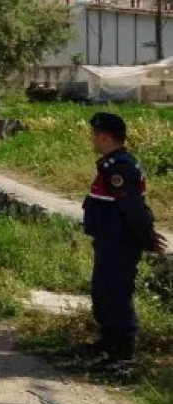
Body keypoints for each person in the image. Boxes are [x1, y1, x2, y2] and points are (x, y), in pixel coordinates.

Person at [82, 112, 166, 367]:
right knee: (103, 293)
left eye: (95, 135)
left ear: (104, 137)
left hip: (120, 243)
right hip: (109, 241)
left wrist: (148, 238)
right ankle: (109, 342)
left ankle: (123, 353)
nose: (93, 139)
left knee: (116, 295)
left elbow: (133, 209)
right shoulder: (111, 163)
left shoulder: (120, 168)